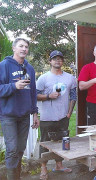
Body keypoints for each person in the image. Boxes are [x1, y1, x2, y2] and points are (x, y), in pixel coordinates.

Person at [0, 38, 39, 180]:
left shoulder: (30, 68)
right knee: (12, 149)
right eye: (21, 46)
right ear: (14, 48)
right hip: (8, 115)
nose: (24, 49)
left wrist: (35, 113)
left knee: (20, 149)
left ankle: (17, 177)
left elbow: (33, 92)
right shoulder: (3, 66)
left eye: (26, 47)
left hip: (24, 115)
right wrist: (14, 86)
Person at [36, 50, 77, 179]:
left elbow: (73, 96)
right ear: (50, 61)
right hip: (47, 117)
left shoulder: (70, 78)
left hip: (63, 117)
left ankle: (59, 165)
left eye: (60, 58)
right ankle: (43, 168)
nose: (57, 60)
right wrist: (48, 96)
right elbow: (35, 96)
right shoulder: (43, 78)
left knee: (61, 142)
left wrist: (69, 112)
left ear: (62, 61)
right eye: (55, 59)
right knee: (45, 143)